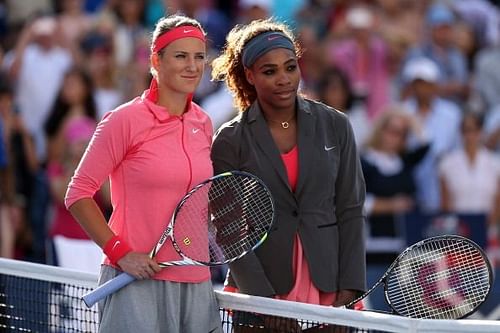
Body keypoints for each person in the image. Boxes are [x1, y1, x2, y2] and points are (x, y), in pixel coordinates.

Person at [65, 14, 222, 332]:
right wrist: (121, 253)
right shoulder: (123, 120)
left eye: (199, 56)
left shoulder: (204, 124)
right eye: (180, 56)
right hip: (135, 281)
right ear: (156, 60)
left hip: (196, 282)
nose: (192, 66)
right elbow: (78, 194)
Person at [210, 18, 366, 330]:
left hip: (331, 290)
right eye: (270, 71)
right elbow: (230, 231)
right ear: (250, 76)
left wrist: (349, 293)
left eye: (290, 67)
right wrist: (265, 304)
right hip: (260, 291)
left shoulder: (336, 125)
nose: (284, 78)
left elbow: (350, 209)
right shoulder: (230, 140)